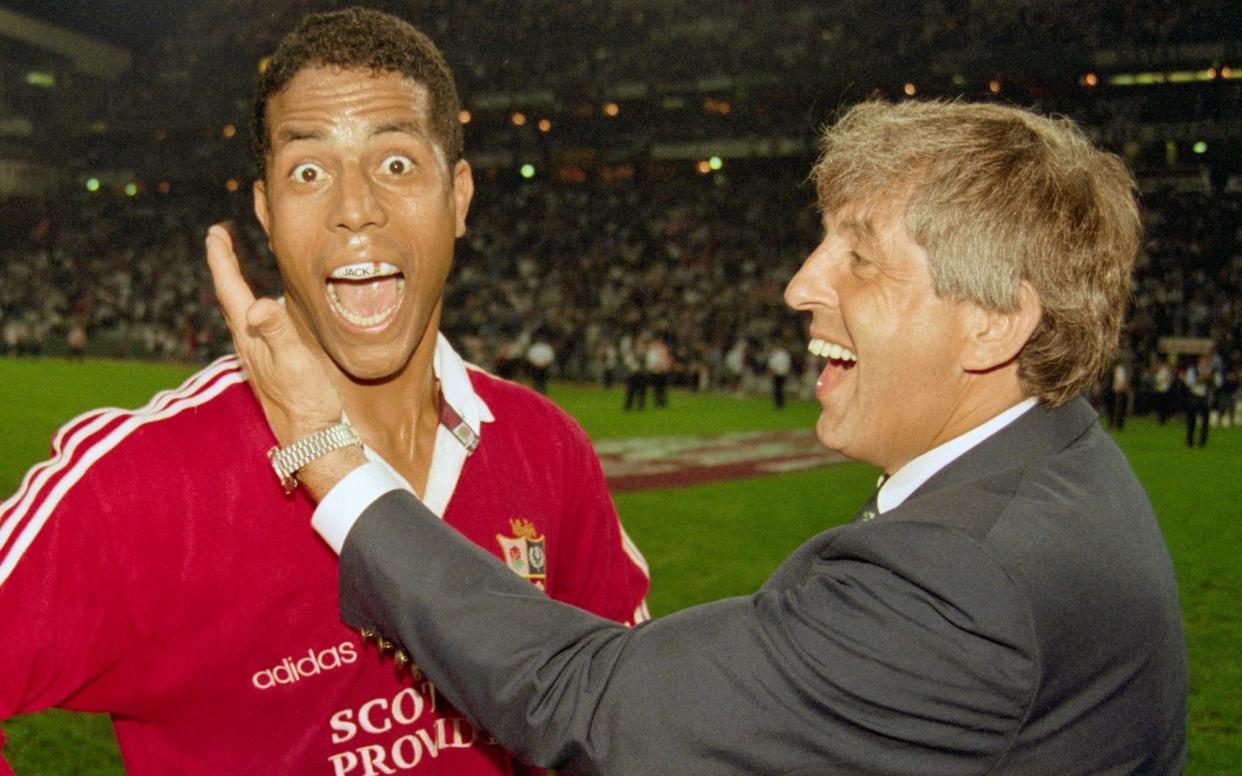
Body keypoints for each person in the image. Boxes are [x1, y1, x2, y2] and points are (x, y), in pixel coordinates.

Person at [211, 100, 1187, 774]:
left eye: (860, 256)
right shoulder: (1059, 458)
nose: (802, 284)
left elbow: (596, 699)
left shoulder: (957, 581)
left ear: (993, 323)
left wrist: (330, 455)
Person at [0, 9, 648, 775]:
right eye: (309, 172)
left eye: (397, 164)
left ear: (460, 196)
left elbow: (627, 724)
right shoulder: (142, 483)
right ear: (267, 215)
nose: (356, 208)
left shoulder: (546, 450)